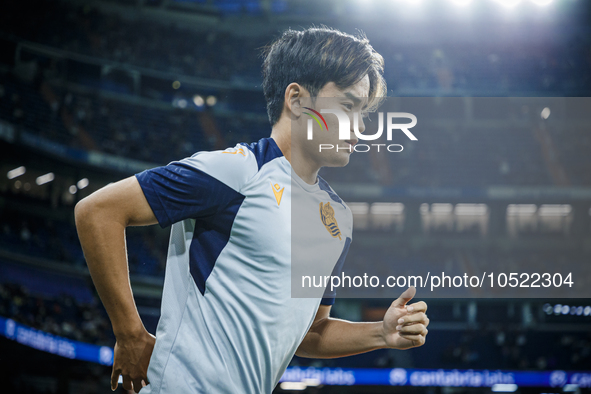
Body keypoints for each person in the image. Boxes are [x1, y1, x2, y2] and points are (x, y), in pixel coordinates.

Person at [75, 26, 429, 394]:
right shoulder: (236, 171)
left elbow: (310, 333)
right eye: (347, 106)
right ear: (296, 99)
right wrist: (129, 332)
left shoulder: (338, 219)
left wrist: (382, 332)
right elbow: (98, 212)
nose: (360, 128)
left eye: (363, 112)